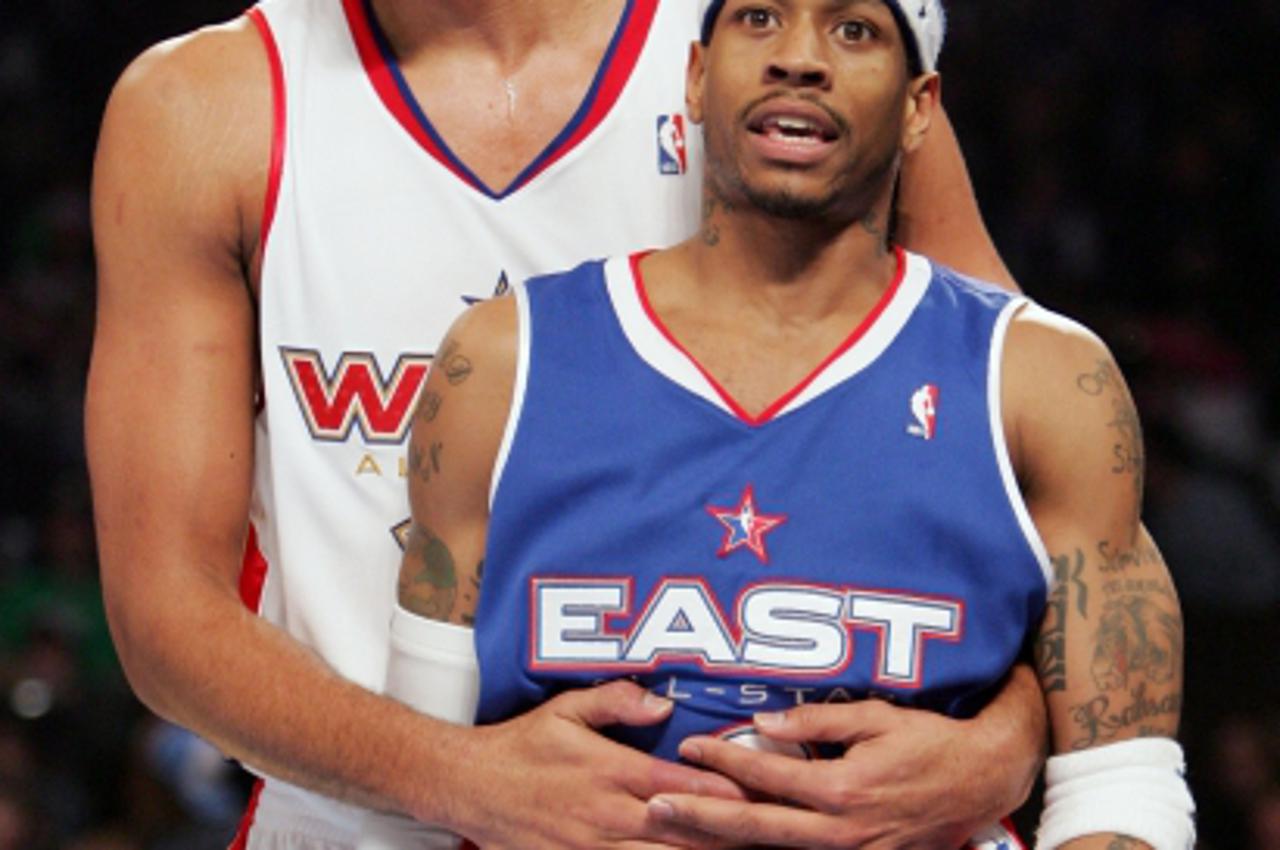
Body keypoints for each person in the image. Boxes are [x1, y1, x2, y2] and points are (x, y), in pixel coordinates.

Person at [87, 0, 1047, 847]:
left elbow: (1054, 480)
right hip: (359, 813)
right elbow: (163, 614)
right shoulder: (205, 107)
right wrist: (458, 779)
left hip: (797, 805)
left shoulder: (773, 48)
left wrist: (1002, 747)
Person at [382, 0, 1196, 847]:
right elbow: (421, 800)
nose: (799, 58)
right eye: (760, 17)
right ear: (697, 78)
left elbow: (1120, 789)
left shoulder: (1041, 380)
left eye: (854, 30)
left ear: (919, 108)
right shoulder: (505, 362)